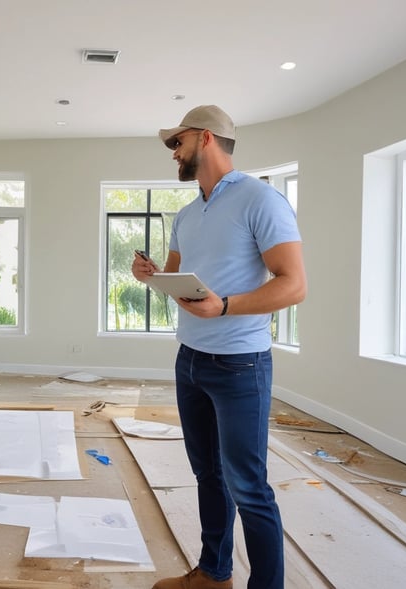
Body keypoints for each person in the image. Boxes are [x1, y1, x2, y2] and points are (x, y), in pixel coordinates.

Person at [132, 105, 307, 589]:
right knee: (207, 475)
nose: (174, 154)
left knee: (248, 488)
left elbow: (294, 285)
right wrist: (151, 277)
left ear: (205, 139)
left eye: (178, 143)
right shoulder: (188, 213)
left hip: (239, 366)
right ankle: (214, 574)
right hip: (189, 361)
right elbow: (177, 276)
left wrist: (225, 306)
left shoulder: (260, 200)